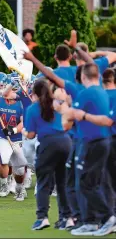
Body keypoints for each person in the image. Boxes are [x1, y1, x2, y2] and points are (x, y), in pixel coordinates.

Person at [65, 63, 115, 236]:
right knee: (94, 182)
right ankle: (94, 221)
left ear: (83, 77)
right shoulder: (101, 90)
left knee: (86, 183)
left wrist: (67, 110)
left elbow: (73, 116)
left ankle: (107, 217)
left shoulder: (88, 92)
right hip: (102, 141)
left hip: (94, 142)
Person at [24, 79, 72, 231]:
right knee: (62, 182)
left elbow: (31, 135)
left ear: (35, 94)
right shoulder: (57, 103)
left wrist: (24, 132)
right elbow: (68, 119)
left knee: (44, 182)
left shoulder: (33, 108)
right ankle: (67, 217)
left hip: (48, 143)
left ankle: (42, 217)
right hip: (65, 141)